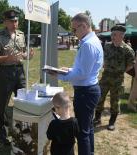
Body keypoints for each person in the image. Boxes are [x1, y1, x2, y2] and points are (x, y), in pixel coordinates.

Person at [47, 13, 103, 155]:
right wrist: (69, 70)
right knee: (87, 128)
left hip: (86, 92)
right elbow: (84, 70)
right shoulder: (91, 41)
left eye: (74, 30)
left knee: (83, 133)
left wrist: (59, 74)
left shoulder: (88, 45)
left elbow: (82, 74)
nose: (74, 33)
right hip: (89, 89)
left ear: (83, 26)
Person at [0, 9, 34, 145]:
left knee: (24, 101)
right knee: (2, 105)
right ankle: (3, 133)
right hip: (5, 73)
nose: (15, 23)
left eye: (16, 21)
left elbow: (23, 53)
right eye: (12, 21)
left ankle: (23, 130)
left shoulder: (21, 35)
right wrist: (7, 57)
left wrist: (28, 56)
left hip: (19, 72)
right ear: (5, 22)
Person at [93, 25, 135, 131]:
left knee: (115, 100)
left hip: (118, 79)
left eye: (115, 34)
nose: (112, 36)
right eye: (112, 34)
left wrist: (121, 71)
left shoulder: (128, 50)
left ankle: (112, 122)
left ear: (122, 36)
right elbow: (103, 57)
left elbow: (130, 65)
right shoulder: (107, 46)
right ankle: (97, 118)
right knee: (100, 97)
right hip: (106, 76)